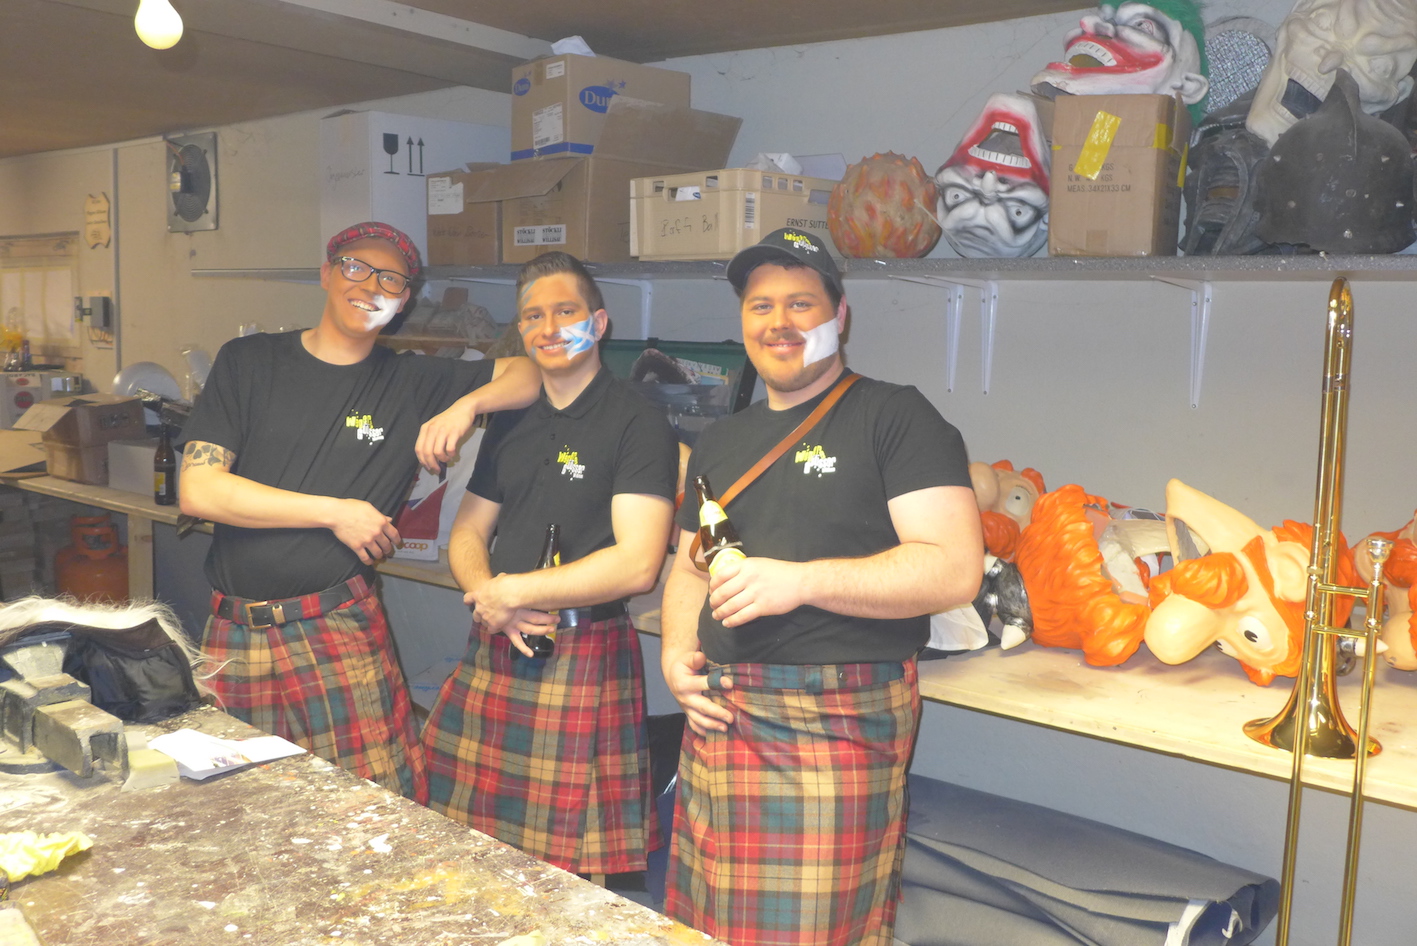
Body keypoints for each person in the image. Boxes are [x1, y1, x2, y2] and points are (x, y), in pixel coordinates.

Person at [660, 227, 984, 946]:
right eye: (760, 306)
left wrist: (800, 582)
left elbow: (953, 567)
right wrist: (676, 652)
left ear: (839, 315)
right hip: (721, 719)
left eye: (800, 303)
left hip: (834, 726)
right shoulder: (721, 440)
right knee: (704, 927)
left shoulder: (895, 416)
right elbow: (690, 566)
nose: (779, 322)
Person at [178, 221, 540, 803]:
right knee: (239, 805)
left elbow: (529, 374)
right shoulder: (250, 361)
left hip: (335, 628)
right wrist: (335, 513)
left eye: (391, 280)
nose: (370, 286)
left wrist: (466, 406)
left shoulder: (410, 380)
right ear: (327, 274)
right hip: (234, 633)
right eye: (356, 268)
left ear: (403, 302)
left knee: (375, 806)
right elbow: (199, 490)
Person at [421, 251, 677, 884]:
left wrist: (514, 592)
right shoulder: (511, 419)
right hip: (497, 640)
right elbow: (468, 532)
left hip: (583, 651)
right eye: (534, 316)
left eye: (566, 311)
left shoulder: (638, 420)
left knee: (568, 878)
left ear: (600, 322)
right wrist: (491, 597)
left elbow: (638, 564)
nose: (550, 327)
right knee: (468, 851)